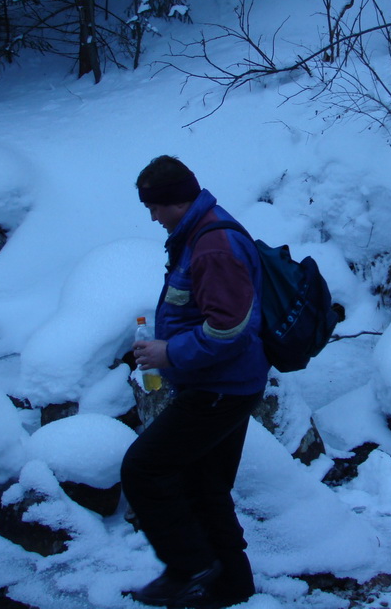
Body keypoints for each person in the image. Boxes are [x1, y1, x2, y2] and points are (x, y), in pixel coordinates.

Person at [121, 155, 269, 608]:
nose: (151, 216)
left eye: (154, 206)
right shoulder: (198, 233)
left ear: (174, 201)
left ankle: (188, 568)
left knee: (143, 468)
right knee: (206, 482)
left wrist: (170, 352)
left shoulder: (214, 245)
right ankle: (232, 585)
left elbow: (228, 328)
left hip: (220, 389)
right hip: (225, 384)